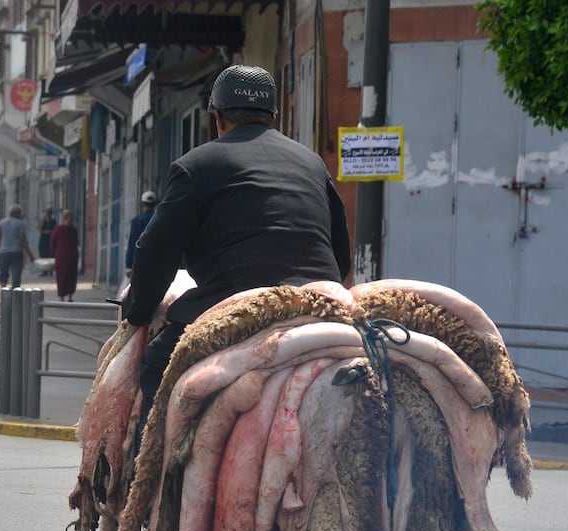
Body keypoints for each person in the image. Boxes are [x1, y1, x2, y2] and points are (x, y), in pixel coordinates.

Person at [123, 64, 351, 424]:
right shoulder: (313, 163)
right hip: (320, 304)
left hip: (235, 304)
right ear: (274, 117)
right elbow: (340, 255)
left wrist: (136, 312)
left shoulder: (195, 165)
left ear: (218, 118)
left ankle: (154, 476)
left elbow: (155, 251)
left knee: (155, 364)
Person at [0, 204, 36, 288]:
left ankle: (3, 287)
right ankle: (15, 289)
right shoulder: (20, 224)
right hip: (17, 251)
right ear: (18, 214)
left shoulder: (1, 223)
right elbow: (23, 241)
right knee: (16, 271)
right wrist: (30, 255)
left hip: (4, 251)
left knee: (4, 271)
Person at [49, 208, 80, 301]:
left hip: (61, 255)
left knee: (62, 276)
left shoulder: (58, 229)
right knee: (70, 276)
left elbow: (53, 242)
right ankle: (69, 296)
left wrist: (53, 254)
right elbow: (76, 242)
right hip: (70, 255)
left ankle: (63, 296)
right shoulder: (72, 229)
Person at [125, 191, 157, 278]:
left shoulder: (137, 221)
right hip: (157, 260)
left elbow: (132, 243)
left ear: (143, 204)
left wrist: (129, 265)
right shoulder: (160, 220)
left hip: (140, 260)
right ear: (155, 204)